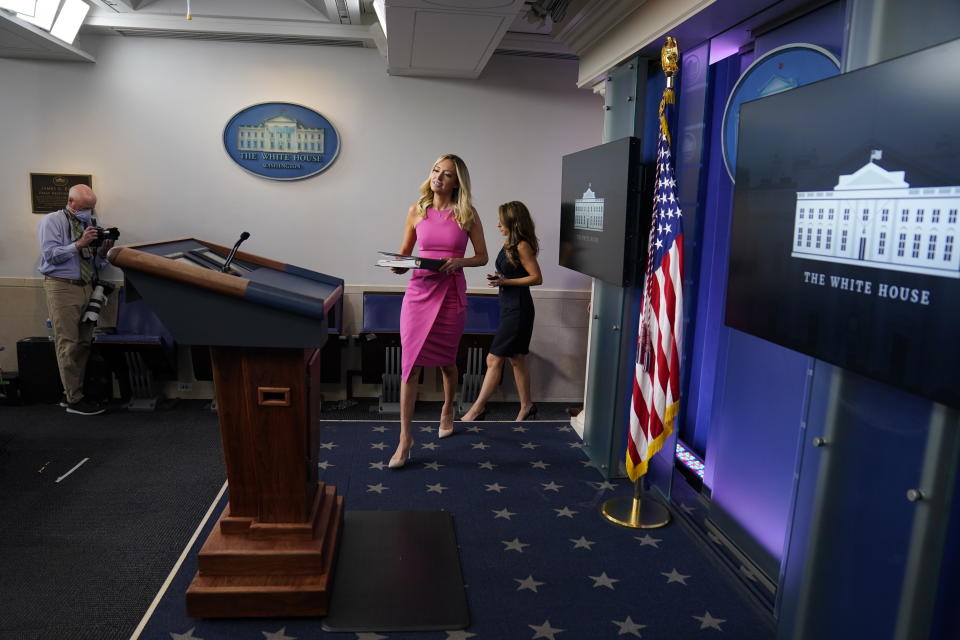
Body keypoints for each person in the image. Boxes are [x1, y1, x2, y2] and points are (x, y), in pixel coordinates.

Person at [388, 154, 488, 468]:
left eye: (446, 174)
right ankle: (405, 439)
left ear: (457, 181)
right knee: (410, 365)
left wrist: (460, 261)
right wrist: (398, 266)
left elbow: (483, 257)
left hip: (451, 293)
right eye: (435, 170)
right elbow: (404, 255)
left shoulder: (467, 214)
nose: (438, 177)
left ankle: (447, 409)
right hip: (419, 292)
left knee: (447, 362)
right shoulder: (416, 210)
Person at [461, 201, 542, 422]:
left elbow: (536, 277)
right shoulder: (509, 243)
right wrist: (501, 280)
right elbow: (514, 274)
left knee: (493, 359)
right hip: (509, 307)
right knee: (516, 358)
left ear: (513, 222)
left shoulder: (522, 245)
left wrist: (506, 281)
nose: (497, 225)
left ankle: (477, 408)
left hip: (518, 309)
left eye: (501, 221)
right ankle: (527, 406)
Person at [37, 184, 114, 416]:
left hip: (86, 285)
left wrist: (102, 252)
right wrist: (78, 244)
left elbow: (94, 262)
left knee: (83, 342)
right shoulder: (52, 221)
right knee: (68, 343)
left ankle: (72, 391)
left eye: (92, 208)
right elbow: (50, 254)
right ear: (71, 202)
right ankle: (74, 399)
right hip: (62, 286)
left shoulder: (89, 223)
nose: (89, 213)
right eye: (85, 208)